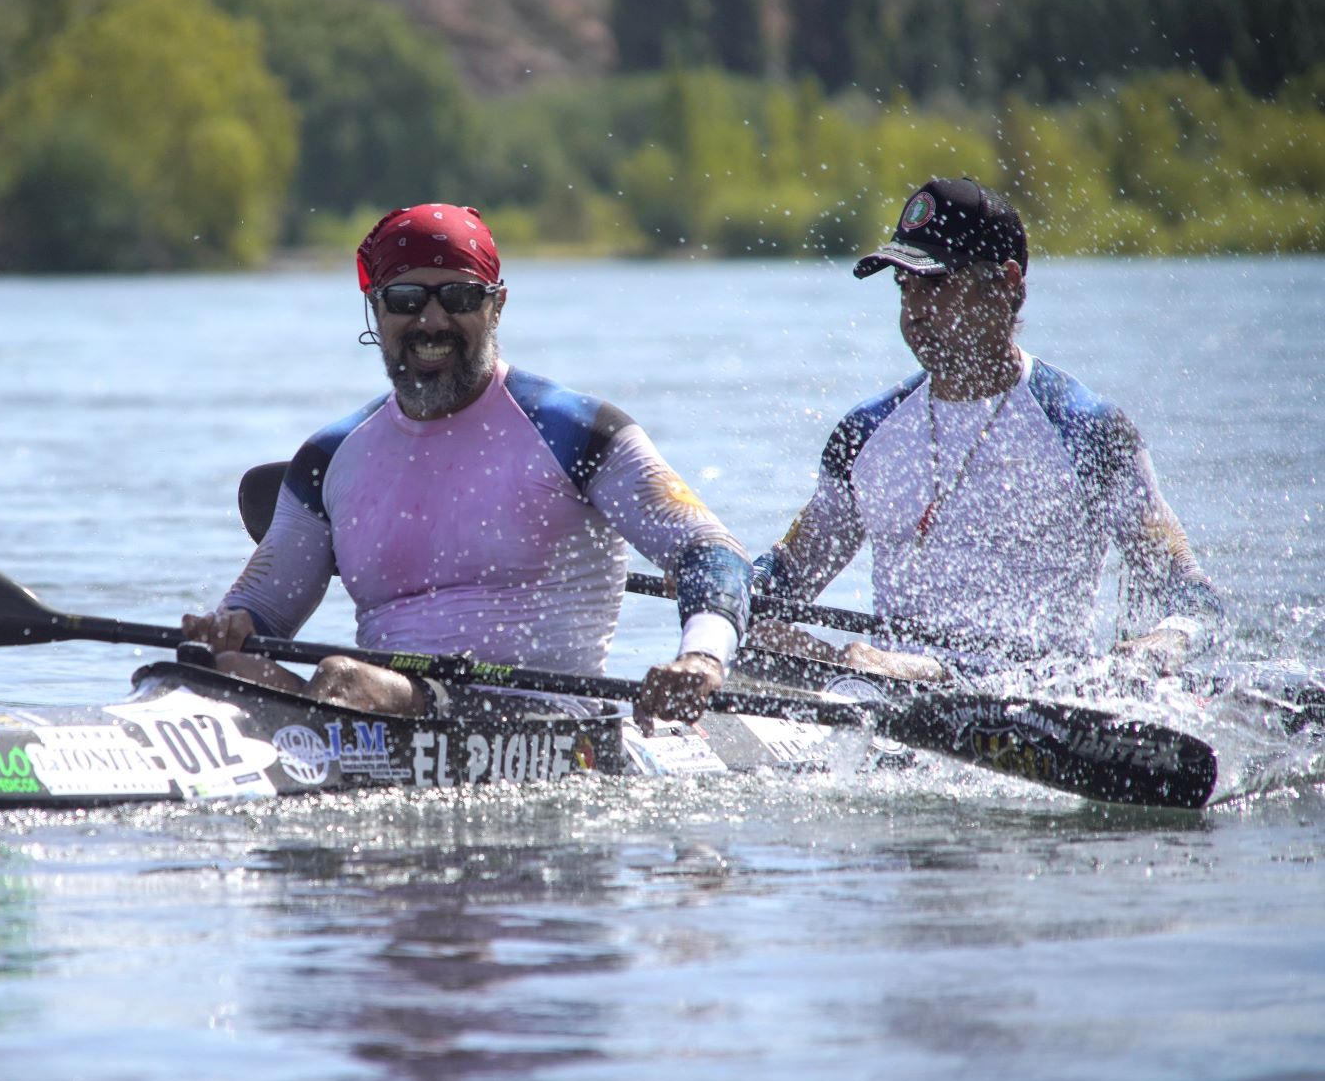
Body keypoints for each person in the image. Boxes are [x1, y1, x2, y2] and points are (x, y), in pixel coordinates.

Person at [183, 203, 751, 724]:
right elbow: (256, 614)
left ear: (497, 305)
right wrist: (228, 628)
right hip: (379, 706)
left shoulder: (576, 432)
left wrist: (701, 658)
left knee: (343, 678)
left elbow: (711, 550)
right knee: (210, 666)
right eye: (406, 300)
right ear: (375, 308)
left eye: (457, 297)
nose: (431, 324)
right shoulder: (328, 458)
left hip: (545, 719)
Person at [749, 177, 1224, 681]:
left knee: (864, 667)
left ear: (1007, 284)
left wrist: (1163, 643)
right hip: (885, 694)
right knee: (759, 641)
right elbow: (779, 582)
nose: (914, 312)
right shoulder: (865, 434)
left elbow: (1197, 602)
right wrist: (728, 589)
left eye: (936, 284)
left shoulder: (1086, 430)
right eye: (903, 287)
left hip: (1038, 703)